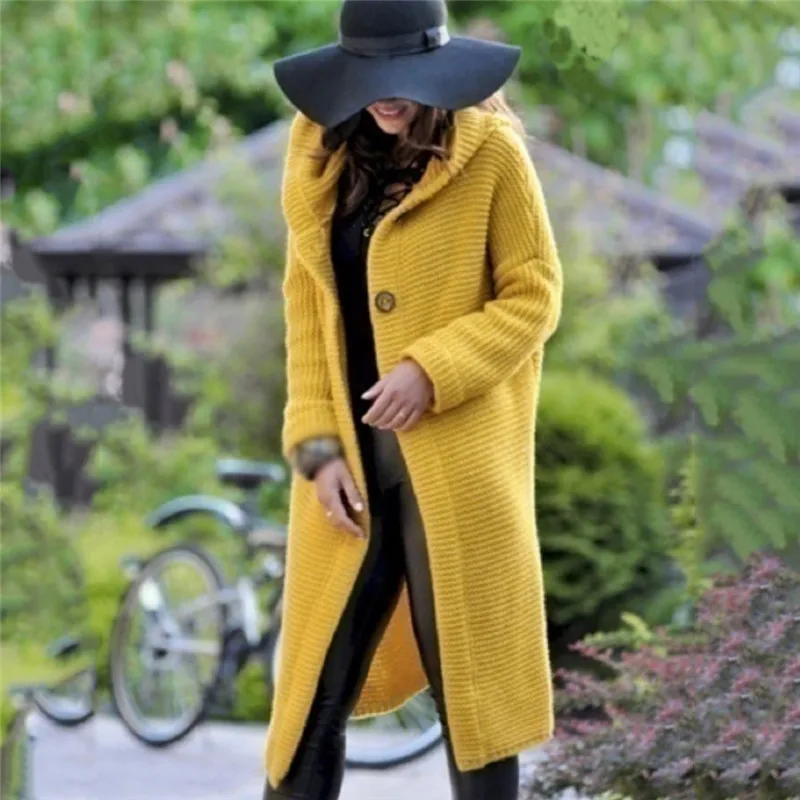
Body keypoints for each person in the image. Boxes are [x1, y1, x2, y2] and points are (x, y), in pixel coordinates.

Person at [264, 1, 563, 798]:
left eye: (402, 78)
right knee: (308, 704)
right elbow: (305, 315)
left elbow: (535, 295)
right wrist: (316, 452)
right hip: (351, 474)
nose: (386, 96)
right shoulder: (319, 154)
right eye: (370, 77)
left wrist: (432, 369)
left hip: (456, 476)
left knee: (474, 706)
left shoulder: (491, 153)